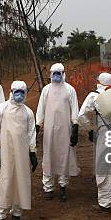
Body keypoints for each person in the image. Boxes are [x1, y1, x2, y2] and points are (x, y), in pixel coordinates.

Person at [79, 73, 111, 212]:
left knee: (105, 166)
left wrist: (90, 130)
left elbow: (81, 115)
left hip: (105, 134)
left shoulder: (94, 95)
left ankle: (105, 203)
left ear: (99, 81)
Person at [0, 81, 38, 220]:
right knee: (6, 181)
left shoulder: (28, 112)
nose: (19, 95)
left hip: (22, 153)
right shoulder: (0, 109)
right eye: (16, 91)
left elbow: (31, 134)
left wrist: (33, 152)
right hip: (6, 152)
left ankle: (17, 213)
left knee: (21, 181)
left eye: (22, 92)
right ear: (10, 91)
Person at [35, 63, 80, 201]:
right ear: (50, 74)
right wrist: (37, 125)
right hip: (49, 130)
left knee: (64, 156)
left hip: (65, 130)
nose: (56, 76)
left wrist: (75, 126)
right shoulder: (46, 90)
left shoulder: (70, 90)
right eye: (54, 73)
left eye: (58, 73)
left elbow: (74, 109)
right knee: (48, 156)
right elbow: (41, 109)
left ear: (63, 74)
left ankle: (63, 186)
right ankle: (48, 187)